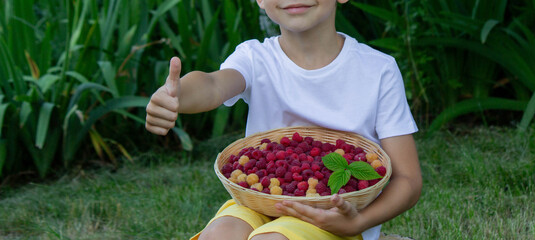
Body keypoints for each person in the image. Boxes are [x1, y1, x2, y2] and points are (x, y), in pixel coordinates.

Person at [145, 0, 422, 239]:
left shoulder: (378, 70)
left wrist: (357, 223)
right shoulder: (254, 58)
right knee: (219, 234)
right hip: (259, 203)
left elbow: (408, 180)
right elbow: (214, 85)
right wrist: (178, 94)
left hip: (336, 219)